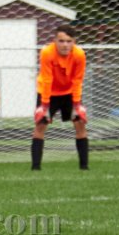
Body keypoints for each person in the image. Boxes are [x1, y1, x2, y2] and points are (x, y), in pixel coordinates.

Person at [30, 24, 89, 171]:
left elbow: (78, 80)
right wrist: (44, 106)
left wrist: (77, 104)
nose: (65, 45)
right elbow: (47, 78)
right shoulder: (47, 52)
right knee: (40, 126)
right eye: (61, 41)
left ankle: (84, 167)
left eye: (69, 41)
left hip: (69, 93)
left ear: (74, 42)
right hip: (48, 93)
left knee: (80, 124)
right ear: (54, 41)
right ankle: (35, 168)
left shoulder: (79, 55)